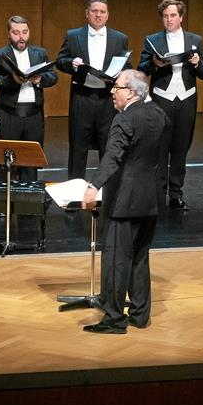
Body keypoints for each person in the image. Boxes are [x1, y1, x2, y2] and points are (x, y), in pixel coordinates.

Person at [81, 69, 168, 334]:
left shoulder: (124, 119)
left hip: (124, 201)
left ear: (130, 92)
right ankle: (140, 315)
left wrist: (93, 185)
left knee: (116, 260)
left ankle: (114, 319)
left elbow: (112, 158)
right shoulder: (159, 115)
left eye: (116, 87)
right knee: (140, 258)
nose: (111, 91)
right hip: (150, 199)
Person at [138, 0, 203, 210]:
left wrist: (197, 63)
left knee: (181, 148)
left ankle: (176, 193)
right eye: (165, 16)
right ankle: (158, 193)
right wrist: (154, 63)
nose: (168, 20)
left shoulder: (194, 39)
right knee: (159, 148)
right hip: (162, 99)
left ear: (181, 17)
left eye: (172, 16)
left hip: (186, 99)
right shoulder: (152, 40)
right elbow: (142, 69)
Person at [57, 0, 130, 182]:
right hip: (82, 97)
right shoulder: (73, 35)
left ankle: (108, 192)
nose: (98, 15)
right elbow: (60, 61)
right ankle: (74, 194)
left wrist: (120, 73)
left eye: (102, 12)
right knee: (78, 147)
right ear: (87, 13)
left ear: (107, 15)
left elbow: (127, 65)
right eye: (94, 11)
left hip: (108, 99)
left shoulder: (119, 38)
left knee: (109, 146)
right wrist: (71, 64)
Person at [0, 15, 57, 182]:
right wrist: (14, 80)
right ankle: (5, 205)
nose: (21, 37)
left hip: (33, 115)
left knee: (30, 162)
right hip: (9, 115)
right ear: (9, 33)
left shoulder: (40, 53)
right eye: (16, 33)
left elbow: (53, 77)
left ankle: (27, 204)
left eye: (24, 32)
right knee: (6, 164)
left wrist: (40, 79)